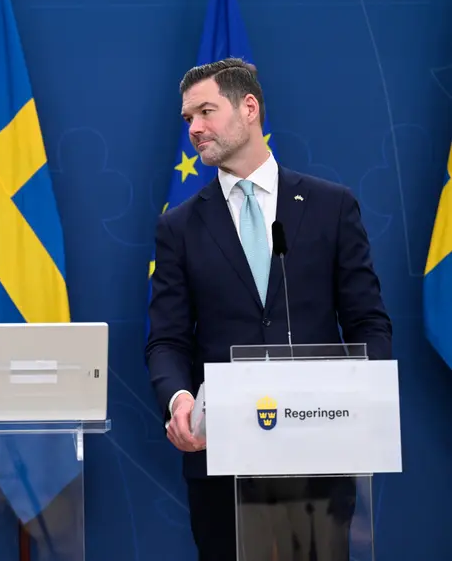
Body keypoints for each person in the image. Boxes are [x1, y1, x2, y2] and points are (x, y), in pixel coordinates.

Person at [146, 59, 392, 560]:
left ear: (249, 108)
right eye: (188, 118)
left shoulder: (330, 207)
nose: (194, 129)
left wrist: (364, 397)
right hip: (222, 459)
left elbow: (367, 321)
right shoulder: (179, 228)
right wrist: (178, 399)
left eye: (206, 111)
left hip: (320, 450)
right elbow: (167, 339)